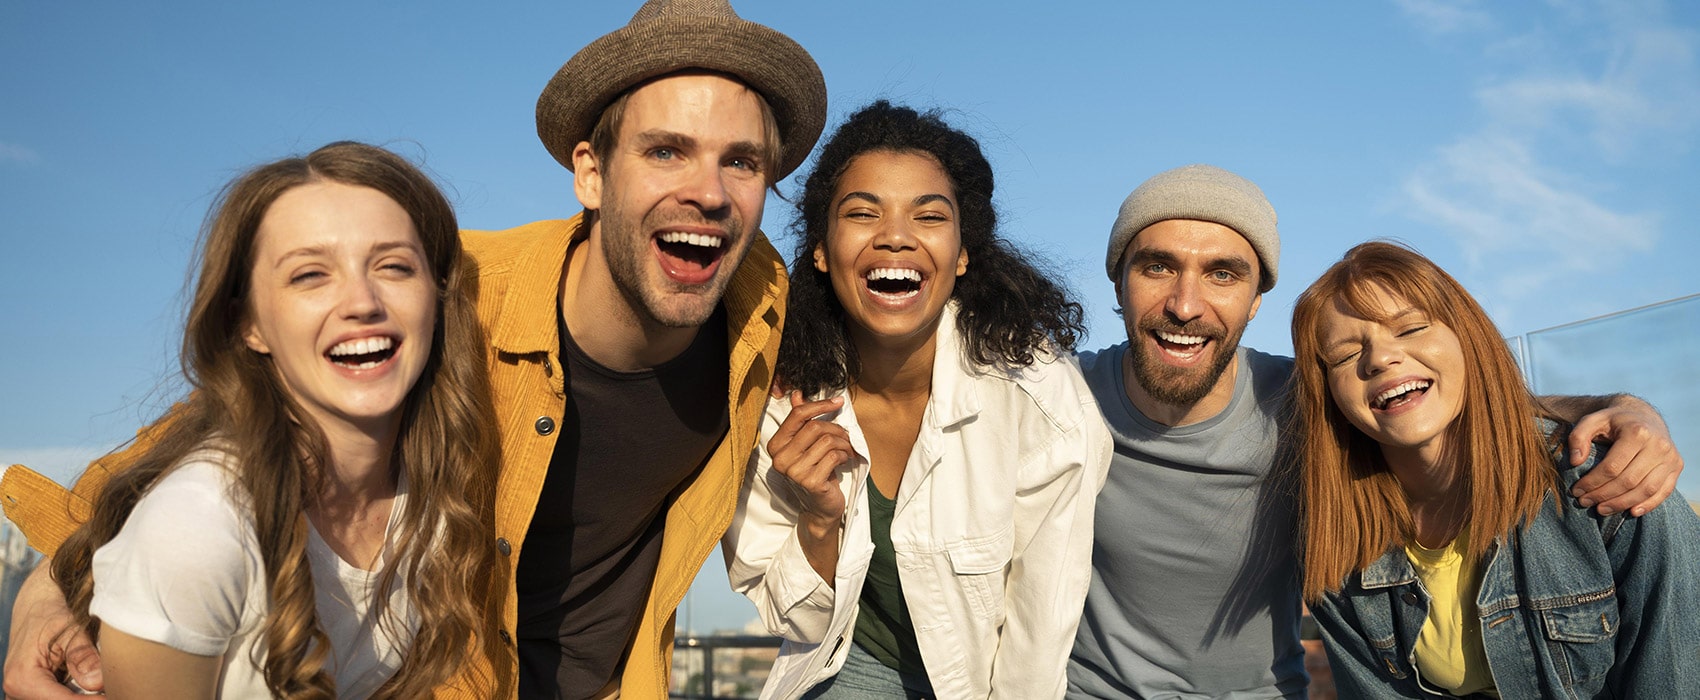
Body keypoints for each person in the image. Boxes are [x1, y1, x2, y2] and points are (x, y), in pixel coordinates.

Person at [0, 1, 828, 698]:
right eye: (665, 150)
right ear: (589, 172)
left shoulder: (756, 296)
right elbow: (215, 422)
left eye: (741, 162)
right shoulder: (451, 289)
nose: (709, 192)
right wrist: (50, 585)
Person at [1064, 164, 1686, 698]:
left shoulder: (1608, 491)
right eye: (1156, 267)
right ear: (1118, 282)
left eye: (1224, 273)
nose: (1185, 303)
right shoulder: (1053, 398)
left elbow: (1453, 403)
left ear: (1256, 301)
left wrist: (1623, 407)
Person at [1, 141, 498, 698]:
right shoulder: (201, 523)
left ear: (436, 298)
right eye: (310, 275)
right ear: (248, 326)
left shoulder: (428, 495)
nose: (362, 300)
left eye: (394, 266)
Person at [725, 101, 1112, 699]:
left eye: (928, 215)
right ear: (822, 251)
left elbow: (1038, 632)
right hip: (845, 664)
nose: (896, 237)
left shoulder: (1039, 396)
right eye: (862, 213)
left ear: (961, 255)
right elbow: (793, 621)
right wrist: (819, 520)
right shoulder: (776, 400)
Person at [1291, 240, 1700, 698]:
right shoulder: (1337, 538)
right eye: (1345, 355)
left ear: (1467, 338)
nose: (1380, 358)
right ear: (1328, 394)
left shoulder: (1612, 485)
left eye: (1410, 329)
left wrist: (1628, 406)